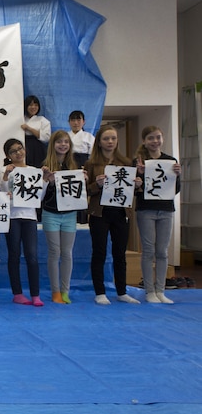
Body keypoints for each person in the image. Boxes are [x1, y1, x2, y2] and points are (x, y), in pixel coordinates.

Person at [84, 125, 142, 305]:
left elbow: (131, 191)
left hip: (120, 212)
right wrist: (97, 185)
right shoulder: (91, 164)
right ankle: (99, 292)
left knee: (119, 253)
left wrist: (138, 184)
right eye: (106, 139)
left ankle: (122, 291)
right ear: (99, 142)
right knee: (99, 252)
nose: (110, 142)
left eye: (113, 138)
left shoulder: (125, 162)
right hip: (99, 213)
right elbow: (84, 190)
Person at [133, 126, 181, 304]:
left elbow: (176, 189)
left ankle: (161, 289)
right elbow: (134, 190)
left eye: (158, 137)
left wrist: (177, 175)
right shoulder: (138, 161)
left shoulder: (170, 160)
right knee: (148, 250)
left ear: (162, 139)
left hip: (166, 210)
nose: (155, 141)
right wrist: (140, 176)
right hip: (146, 210)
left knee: (162, 251)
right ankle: (149, 290)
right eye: (151, 138)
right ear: (144, 141)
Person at [0, 139, 44, 306]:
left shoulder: (34, 170)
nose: (18, 153)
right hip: (12, 216)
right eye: (13, 151)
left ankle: (35, 294)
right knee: (14, 255)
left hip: (29, 216)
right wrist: (5, 175)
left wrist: (45, 180)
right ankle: (17, 293)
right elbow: (3, 192)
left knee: (32, 256)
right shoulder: (5, 170)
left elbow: (40, 195)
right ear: (8, 156)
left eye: (20, 149)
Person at [41, 130, 83, 304]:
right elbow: (39, 196)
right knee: (55, 251)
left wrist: (83, 181)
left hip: (70, 215)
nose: (63, 145)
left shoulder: (75, 166)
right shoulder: (45, 166)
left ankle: (65, 290)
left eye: (66, 142)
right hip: (51, 213)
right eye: (59, 142)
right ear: (53, 144)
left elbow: (78, 193)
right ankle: (55, 291)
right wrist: (47, 181)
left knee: (67, 253)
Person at [68, 110, 95, 224]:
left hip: (83, 165)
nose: (75, 123)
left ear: (83, 122)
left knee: (81, 193)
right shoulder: (66, 136)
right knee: (69, 191)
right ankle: (69, 218)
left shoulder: (88, 137)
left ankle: (82, 219)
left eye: (78, 120)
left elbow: (93, 155)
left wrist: (88, 167)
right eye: (73, 120)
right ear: (69, 122)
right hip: (68, 165)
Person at [21, 95, 51, 168]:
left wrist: (29, 128)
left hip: (37, 148)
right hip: (23, 145)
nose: (33, 107)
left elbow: (46, 137)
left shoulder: (42, 120)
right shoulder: (21, 118)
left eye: (36, 105)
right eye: (30, 105)